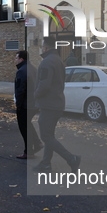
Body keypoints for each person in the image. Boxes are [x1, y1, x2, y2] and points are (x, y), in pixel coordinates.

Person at [33, 36, 81, 173]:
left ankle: (71, 158)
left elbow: (44, 85)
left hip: (49, 105)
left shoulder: (47, 62)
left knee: (46, 136)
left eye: (42, 46)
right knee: (50, 136)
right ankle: (46, 163)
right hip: (56, 103)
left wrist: (34, 95)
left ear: (46, 47)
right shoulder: (58, 60)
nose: (42, 48)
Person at [14, 50, 41, 160]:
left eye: (16, 58)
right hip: (34, 103)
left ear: (21, 59)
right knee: (27, 124)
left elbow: (20, 89)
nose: (14, 60)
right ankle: (37, 143)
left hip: (25, 104)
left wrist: (18, 105)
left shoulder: (21, 71)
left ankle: (28, 151)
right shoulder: (33, 68)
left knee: (24, 127)